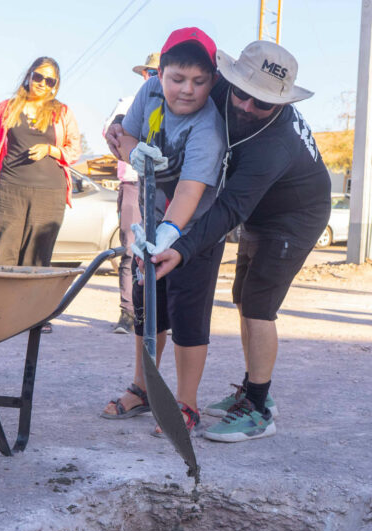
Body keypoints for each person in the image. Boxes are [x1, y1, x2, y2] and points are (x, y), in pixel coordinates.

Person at [119, 40, 331, 442]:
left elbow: (228, 210)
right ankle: (252, 390)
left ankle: (258, 409)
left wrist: (179, 247)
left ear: (281, 103)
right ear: (230, 80)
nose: (248, 107)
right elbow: (167, 89)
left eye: (262, 103)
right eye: (243, 94)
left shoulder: (275, 144)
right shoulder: (220, 89)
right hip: (259, 207)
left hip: (294, 215)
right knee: (242, 297)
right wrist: (123, 132)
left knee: (259, 306)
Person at [99, 28, 226, 436]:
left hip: (195, 230)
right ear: (161, 73)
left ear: (212, 80)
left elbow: (191, 191)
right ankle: (144, 388)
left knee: (188, 315)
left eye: (199, 81)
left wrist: (171, 234)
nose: (187, 90)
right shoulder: (149, 92)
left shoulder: (209, 126)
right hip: (151, 220)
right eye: (177, 78)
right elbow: (129, 134)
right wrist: (130, 148)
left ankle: (186, 404)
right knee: (146, 307)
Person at [0, 57, 81, 332]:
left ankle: (35, 317)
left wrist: (51, 150)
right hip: (10, 188)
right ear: (29, 76)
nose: (43, 83)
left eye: (50, 80)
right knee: (2, 249)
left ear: (55, 86)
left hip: (49, 192)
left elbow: (74, 150)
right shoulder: (8, 108)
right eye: (39, 77)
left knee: (38, 255)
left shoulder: (62, 112)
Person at [103, 52, 160, 334]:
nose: (157, 78)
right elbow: (110, 134)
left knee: (163, 248)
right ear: (144, 75)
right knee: (130, 248)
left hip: (164, 185)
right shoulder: (128, 102)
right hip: (134, 182)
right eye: (152, 73)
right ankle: (129, 312)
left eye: (162, 72)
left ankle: (159, 313)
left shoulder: (177, 103)